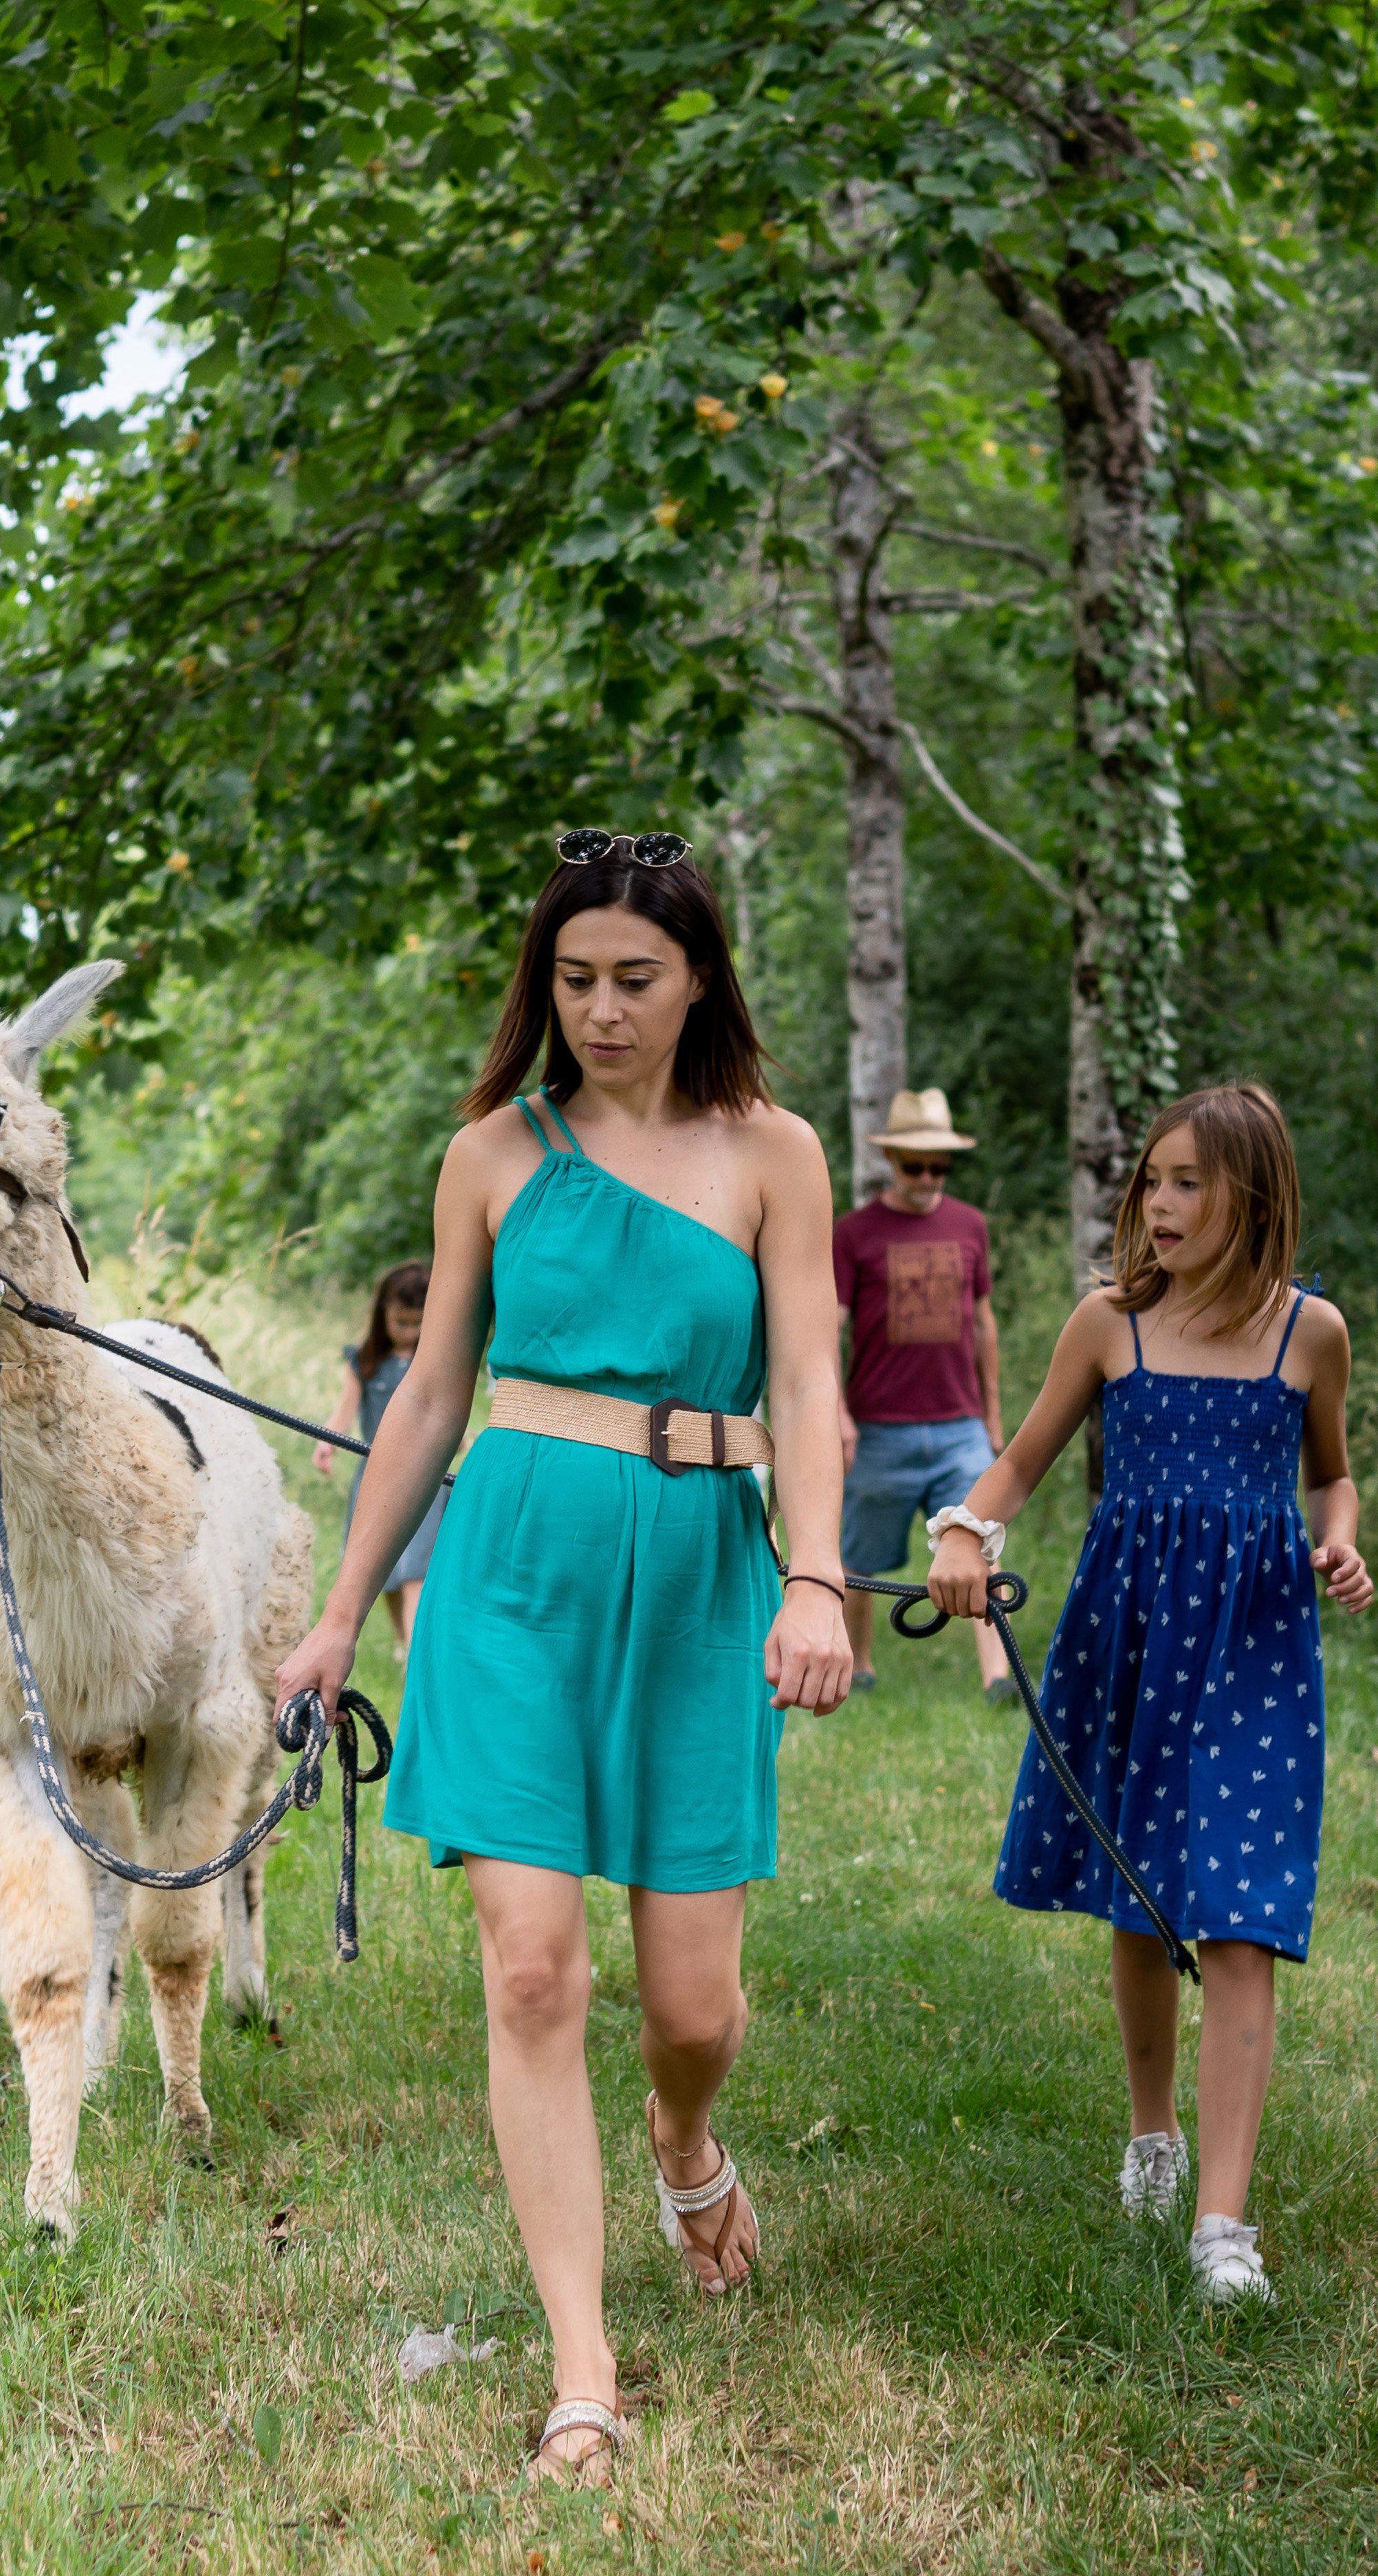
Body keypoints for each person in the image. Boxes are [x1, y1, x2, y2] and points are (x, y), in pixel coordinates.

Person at [270, 829, 855, 2487]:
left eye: (635, 980)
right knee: (533, 1968)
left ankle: (684, 2136)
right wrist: (335, 1610)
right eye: (575, 980)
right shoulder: (491, 1157)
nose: (600, 1010)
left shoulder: (774, 1156)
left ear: (699, 981)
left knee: (693, 2002)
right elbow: (429, 1400)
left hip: (695, 1586)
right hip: (511, 1570)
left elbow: (808, 1383)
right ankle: (582, 2371)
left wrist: (813, 1577)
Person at [925, 1082, 1374, 2310]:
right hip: (1128, 1638)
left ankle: (1221, 2224)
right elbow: (1016, 1461)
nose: (1159, 1204)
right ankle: (1151, 2135)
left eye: (1189, 1183)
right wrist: (967, 1529)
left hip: (1255, 1644)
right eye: (1151, 1181)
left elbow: (1332, 1478)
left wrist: (1339, 1541)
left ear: (1256, 1198)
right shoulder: (1108, 1326)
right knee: (1142, 1894)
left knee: (1238, 1912)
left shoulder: (1308, 1335)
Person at [830, 1088, 1012, 1699]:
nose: (928, 1177)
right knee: (859, 1559)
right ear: (893, 1162)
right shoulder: (854, 1233)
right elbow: (830, 1329)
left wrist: (992, 1416)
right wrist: (838, 1414)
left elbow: (984, 1324)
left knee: (979, 1549)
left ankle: (998, 1676)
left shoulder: (970, 1225)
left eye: (939, 1166)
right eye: (916, 1166)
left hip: (960, 1424)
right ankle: (858, 1666)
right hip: (880, 1426)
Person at [314, 1261, 446, 1654]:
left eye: (419, 1322)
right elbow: (343, 1411)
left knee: (417, 1571)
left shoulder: (436, 1363)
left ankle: (418, 1654)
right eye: (401, 1322)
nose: (410, 1332)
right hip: (375, 1475)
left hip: (426, 1475)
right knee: (383, 1567)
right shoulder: (365, 1363)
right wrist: (327, 1441)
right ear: (383, 1313)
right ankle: (405, 1646)